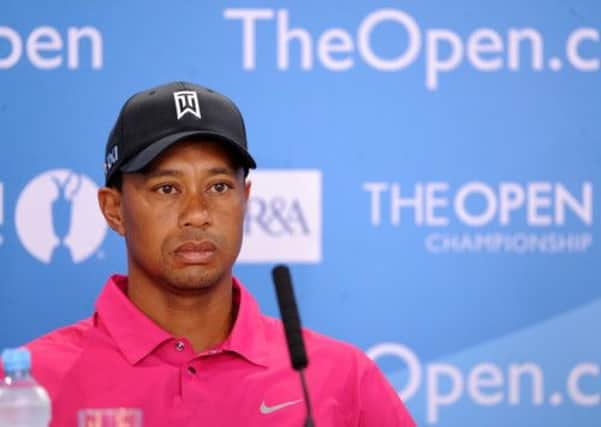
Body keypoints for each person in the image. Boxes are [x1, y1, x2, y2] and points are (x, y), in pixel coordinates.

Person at [1, 82, 415, 426]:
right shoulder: (27, 386)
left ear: (245, 201)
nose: (197, 214)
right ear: (113, 210)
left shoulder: (338, 377)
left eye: (218, 187)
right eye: (167, 188)